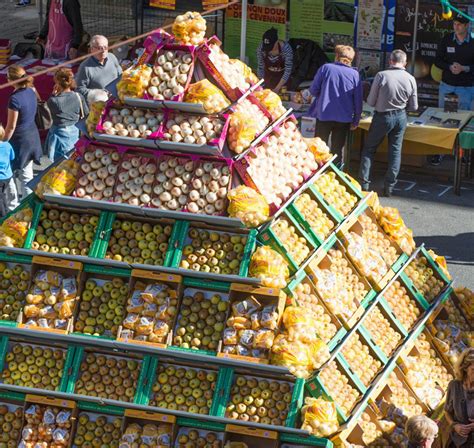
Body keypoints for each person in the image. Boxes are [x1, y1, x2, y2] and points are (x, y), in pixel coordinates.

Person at [359, 49, 418, 197]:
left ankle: (364, 183)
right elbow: (414, 107)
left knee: (369, 149)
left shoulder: (381, 75)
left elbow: (371, 101)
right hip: (400, 117)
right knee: (395, 151)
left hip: (382, 116)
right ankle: (389, 186)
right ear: (405, 63)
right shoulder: (411, 78)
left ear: (390, 61)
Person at [308, 45, 362, 165]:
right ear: (351, 60)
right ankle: (335, 176)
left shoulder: (326, 68)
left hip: (324, 115)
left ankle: (317, 174)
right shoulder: (355, 75)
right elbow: (358, 100)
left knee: (319, 148)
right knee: (337, 150)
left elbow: (313, 90)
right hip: (344, 118)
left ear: (337, 56)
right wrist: (356, 120)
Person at [431, 13, 473, 166]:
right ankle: (441, 151)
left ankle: (461, 153)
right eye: (454, 24)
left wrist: (465, 68)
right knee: (445, 118)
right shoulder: (447, 39)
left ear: (467, 25)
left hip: (466, 87)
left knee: (463, 121)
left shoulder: (473, 41)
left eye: (460, 24)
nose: (456, 27)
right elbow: (437, 59)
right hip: (448, 85)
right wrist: (449, 67)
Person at [3, 65, 42, 199]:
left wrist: (3, 142)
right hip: (32, 136)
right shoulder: (31, 90)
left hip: (20, 140)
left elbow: (11, 126)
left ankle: (16, 206)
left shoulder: (14, 99)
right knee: (27, 175)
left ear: (12, 80)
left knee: (14, 175)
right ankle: (28, 206)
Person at [45, 68, 88, 162]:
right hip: (74, 131)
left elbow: (47, 113)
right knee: (73, 158)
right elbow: (86, 113)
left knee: (59, 162)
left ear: (57, 83)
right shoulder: (78, 96)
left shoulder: (53, 100)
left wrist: (53, 95)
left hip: (59, 133)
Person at [75, 35, 122, 104]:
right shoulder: (85, 67)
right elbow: (79, 89)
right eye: (100, 48)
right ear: (91, 49)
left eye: (105, 47)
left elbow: (120, 75)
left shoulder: (112, 57)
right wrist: (100, 94)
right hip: (99, 105)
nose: (103, 50)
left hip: (117, 100)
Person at [444, 347, 474, 447]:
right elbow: (447, 411)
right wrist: (454, 425)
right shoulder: (454, 386)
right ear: (465, 368)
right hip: (458, 441)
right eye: (473, 369)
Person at [257, 28, 293, 93]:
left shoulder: (286, 49)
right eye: (267, 47)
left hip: (282, 83)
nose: (269, 50)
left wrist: (277, 88)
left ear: (277, 42)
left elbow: (288, 71)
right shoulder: (261, 49)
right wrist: (261, 86)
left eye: (271, 47)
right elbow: (260, 67)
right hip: (268, 79)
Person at [0, 125, 18, 216]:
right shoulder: (7, 145)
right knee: (3, 194)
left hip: (0, 178)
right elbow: (12, 157)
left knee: (1, 197)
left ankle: (3, 215)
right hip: (7, 176)